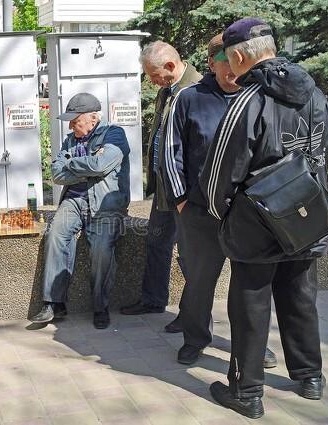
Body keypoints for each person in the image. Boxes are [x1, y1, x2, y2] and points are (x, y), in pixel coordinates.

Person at [199, 18, 328, 418]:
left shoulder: (248, 100)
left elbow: (221, 171)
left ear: (238, 56)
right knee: (300, 297)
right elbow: (320, 155)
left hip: (258, 224)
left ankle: (247, 391)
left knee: (250, 307)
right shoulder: (314, 93)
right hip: (307, 216)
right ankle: (310, 377)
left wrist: (219, 213)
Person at [161, 33, 277, 367]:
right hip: (199, 213)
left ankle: (252, 345)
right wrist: (182, 201)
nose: (233, 69)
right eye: (225, 61)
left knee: (252, 289)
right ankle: (195, 338)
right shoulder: (189, 98)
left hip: (247, 214)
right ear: (212, 62)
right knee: (199, 283)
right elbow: (171, 153)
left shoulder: (258, 96)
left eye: (237, 61)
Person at [29, 92, 130, 329]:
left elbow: (102, 164)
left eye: (76, 121)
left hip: (105, 204)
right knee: (56, 234)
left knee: (102, 249)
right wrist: (88, 168)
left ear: (93, 118)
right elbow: (56, 174)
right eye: (71, 121)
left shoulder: (114, 135)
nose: (72, 125)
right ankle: (54, 303)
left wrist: (72, 165)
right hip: (73, 201)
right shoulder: (70, 141)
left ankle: (100, 306)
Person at [120, 41, 201, 334]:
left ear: (170, 66)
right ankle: (153, 300)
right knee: (156, 243)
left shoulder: (196, 90)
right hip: (165, 189)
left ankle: (191, 313)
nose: (151, 81)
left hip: (184, 192)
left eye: (153, 75)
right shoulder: (167, 91)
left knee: (190, 257)